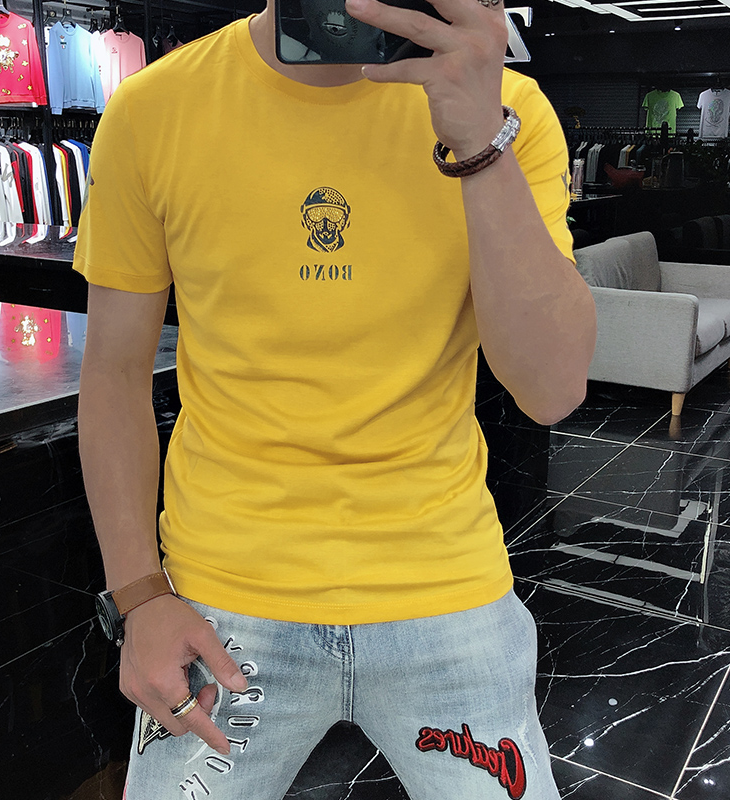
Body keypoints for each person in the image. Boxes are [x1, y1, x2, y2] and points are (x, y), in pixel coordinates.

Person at [74, 0, 597, 796]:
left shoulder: (507, 113)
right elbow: (113, 373)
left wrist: (479, 144)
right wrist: (138, 598)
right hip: (222, 595)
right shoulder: (157, 108)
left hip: (443, 580)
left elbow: (552, 389)